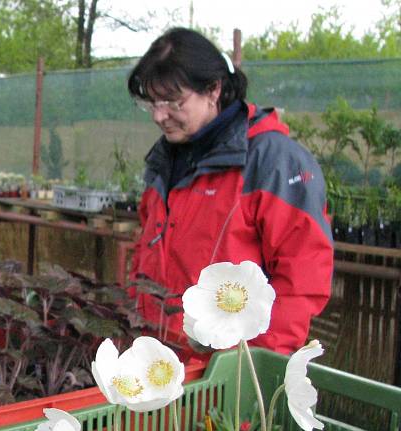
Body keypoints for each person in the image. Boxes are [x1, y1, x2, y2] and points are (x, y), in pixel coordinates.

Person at [126, 28, 333, 356]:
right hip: (159, 360)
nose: (158, 115)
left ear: (213, 89)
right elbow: (145, 250)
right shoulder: (165, 159)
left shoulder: (271, 161)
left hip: (229, 369)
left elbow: (302, 275)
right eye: (151, 102)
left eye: (172, 102)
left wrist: (253, 365)